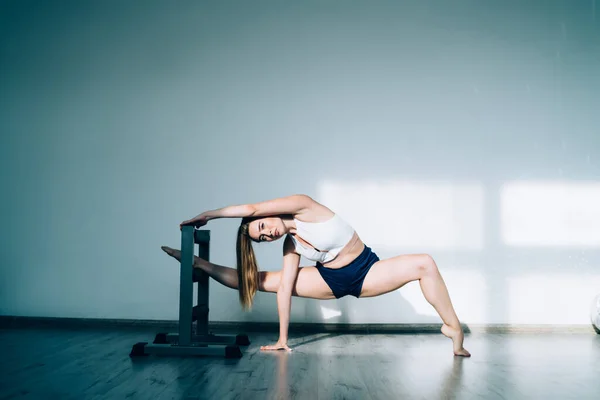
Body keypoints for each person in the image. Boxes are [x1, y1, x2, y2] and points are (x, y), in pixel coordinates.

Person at [161, 194, 471, 357]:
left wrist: (210, 214)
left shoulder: (304, 206)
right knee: (262, 280)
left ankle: (453, 330)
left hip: (366, 272)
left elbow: (251, 206)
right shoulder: (290, 245)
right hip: (329, 280)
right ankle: (201, 264)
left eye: (262, 227)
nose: (267, 234)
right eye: (261, 238)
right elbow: (285, 289)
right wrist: (283, 340)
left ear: (265, 216)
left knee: (425, 263)